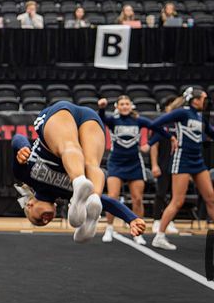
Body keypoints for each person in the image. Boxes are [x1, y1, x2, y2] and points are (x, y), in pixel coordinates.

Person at [11, 101, 145, 242]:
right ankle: (93, 199)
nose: (45, 221)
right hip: (90, 118)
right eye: (45, 223)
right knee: (92, 164)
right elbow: (109, 202)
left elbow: (17, 138)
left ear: (29, 205)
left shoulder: (25, 176)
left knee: (68, 146)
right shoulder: (69, 194)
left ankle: (80, 181)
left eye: (38, 220)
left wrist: (23, 147)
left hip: (58, 116)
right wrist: (132, 218)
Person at [148, 87, 214, 250]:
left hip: (197, 160)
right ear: (195, 100)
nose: (206, 102)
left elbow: (211, 133)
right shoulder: (183, 113)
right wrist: (170, 137)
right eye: (204, 99)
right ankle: (160, 236)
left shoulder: (200, 116)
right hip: (182, 159)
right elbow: (155, 124)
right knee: (178, 201)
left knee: (211, 198)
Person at [97, 96, 165, 244]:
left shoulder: (139, 121)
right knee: (112, 197)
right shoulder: (113, 120)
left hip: (134, 163)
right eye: (121, 104)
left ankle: (137, 231)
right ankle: (109, 227)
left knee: (137, 198)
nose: (125, 106)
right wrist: (102, 107)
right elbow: (101, 118)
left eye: (127, 104)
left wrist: (150, 143)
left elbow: (159, 130)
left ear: (131, 106)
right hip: (116, 162)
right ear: (117, 106)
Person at [148, 97, 179, 235]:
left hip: (178, 164)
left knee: (174, 195)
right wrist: (154, 165)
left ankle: (169, 221)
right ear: (166, 108)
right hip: (163, 162)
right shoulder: (162, 123)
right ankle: (156, 220)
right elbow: (154, 145)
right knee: (161, 193)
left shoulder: (180, 124)